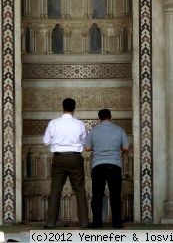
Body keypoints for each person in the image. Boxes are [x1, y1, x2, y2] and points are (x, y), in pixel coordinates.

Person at [43, 97, 89, 229]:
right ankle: (84, 222)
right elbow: (85, 142)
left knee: (55, 190)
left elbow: (46, 141)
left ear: (62, 107)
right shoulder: (79, 124)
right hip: (75, 158)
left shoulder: (53, 123)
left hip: (59, 158)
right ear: (74, 109)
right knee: (79, 190)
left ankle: (51, 222)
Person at [85, 108, 129, 229]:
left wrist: (98, 148)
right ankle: (117, 222)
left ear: (98, 118)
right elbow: (126, 147)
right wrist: (116, 149)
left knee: (97, 195)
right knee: (115, 194)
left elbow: (87, 148)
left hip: (98, 166)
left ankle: (97, 222)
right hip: (114, 165)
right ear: (111, 117)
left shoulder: (93, 130)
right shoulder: (119, 129)